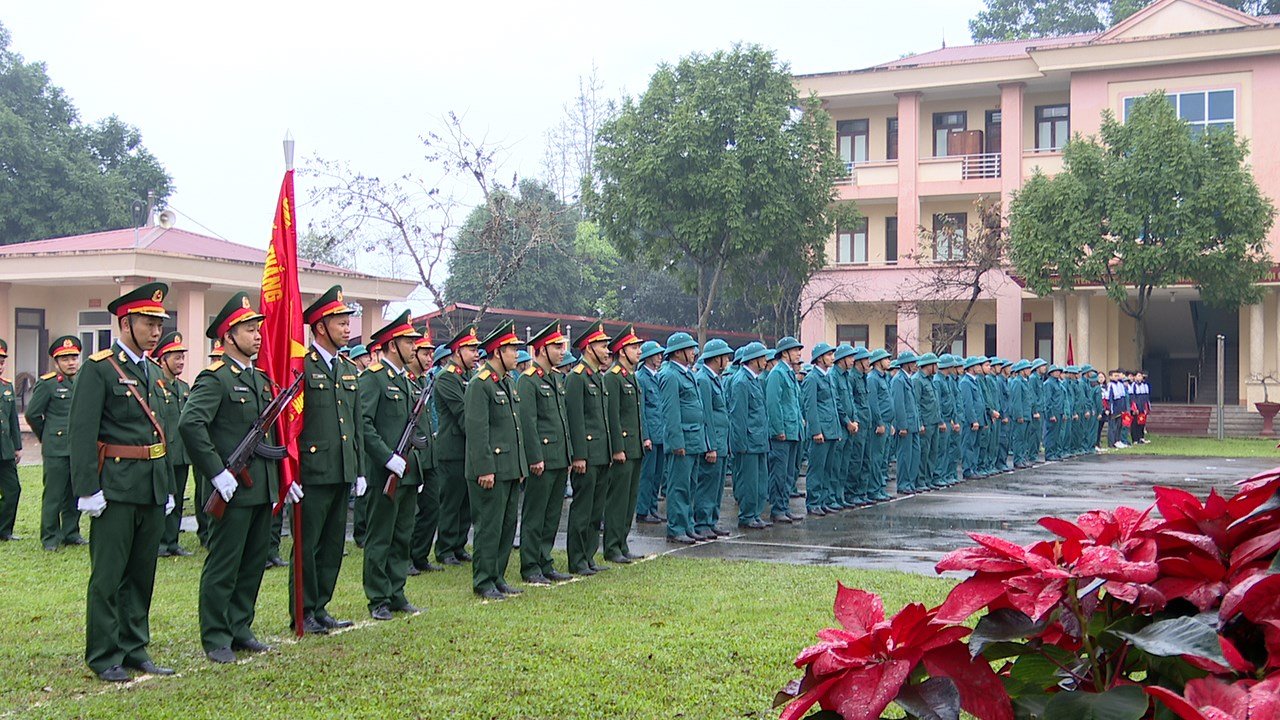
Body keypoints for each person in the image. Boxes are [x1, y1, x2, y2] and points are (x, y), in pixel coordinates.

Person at [68, 283, 176, 681]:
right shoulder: (100, 368)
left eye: (159, 324)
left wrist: (164, 487)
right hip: (114, 486)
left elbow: (159, 432)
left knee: (141, 573)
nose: (156, 331)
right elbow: (81, 432)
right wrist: (87, 490)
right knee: (109, 576)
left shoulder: (149, 369)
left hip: (148, 485)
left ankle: (135, 647)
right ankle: (103, 653)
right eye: (148, 323)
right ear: (126, 322)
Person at [183, 292, 288, 663]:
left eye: (258, 328)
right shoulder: (216, 378)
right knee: (224, 564)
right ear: (228, 336)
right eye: (248, 329)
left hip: (260, 488)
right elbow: (191, 424)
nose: (258, 335)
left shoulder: (259, 379)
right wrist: (216, 472)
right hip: (231, 489)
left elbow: (269, 436)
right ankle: (216, 636)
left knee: (253, 561)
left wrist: (280, 481)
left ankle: (240, 627)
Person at [292, 286, 364, 634]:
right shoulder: (302, 366)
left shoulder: (348, 367)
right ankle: (302, 609)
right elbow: (291, 422)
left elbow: (355, 423)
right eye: (339, 321)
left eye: (347, 321)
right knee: (308, 545)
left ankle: (321, 607)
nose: (347, 327)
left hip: (342, 468)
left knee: (334, 544)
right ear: (320, 326)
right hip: (313, 469)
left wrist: (359, 467)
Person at [358, 312, 426, 620]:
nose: (413, 346)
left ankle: (396, 591)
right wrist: (387, 457)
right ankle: (378, 597)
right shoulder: (373, 379)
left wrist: (416, 467)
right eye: (407, 341)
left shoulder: (406, 381)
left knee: (402, 535)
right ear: (391, 344)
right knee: (381, 536)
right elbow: (364, 423)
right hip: (383, 472)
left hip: (407, 472)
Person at [464, 320, 529, 600]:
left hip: (510, 468)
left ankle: (498, 575)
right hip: (491, 469)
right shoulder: (481, 385)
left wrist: (521, 466)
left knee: (506, 525)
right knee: (489, 526)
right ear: (497, 352)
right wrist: (485, 468)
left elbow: (515, 429)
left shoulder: (506, 383)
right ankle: (483, 579)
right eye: (512, 349)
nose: (516, 354)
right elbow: (479, 431)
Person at [516, 321, 573, 585]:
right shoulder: (529, 381)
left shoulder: (555, 379)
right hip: (543, 459)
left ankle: (544, 559)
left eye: (562, 346)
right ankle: (530, 565)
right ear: (541, 349)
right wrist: (535, 457)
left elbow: (562, 420)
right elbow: (528, 423)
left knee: (551, 515)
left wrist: (569, 455)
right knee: (535, 514)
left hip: (559, 457)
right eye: (556, 346)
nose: (562, 351)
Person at [25, 336, 85, 549]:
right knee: (54, 495)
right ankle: (50, 537)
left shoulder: (82, 381)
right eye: (65, 358)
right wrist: (47, 435)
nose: (71, 362)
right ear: (56, 362)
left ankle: (71, 532)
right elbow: (32, 414)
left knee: (74, 493)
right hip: (56, 448)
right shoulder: (48, 383)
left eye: (74, 357)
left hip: (77, 449)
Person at [565, 320, 613, 572]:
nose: (607, 351)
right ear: (588, 347)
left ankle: (589, 556)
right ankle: (576, 559)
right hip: (587, 455)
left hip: (601, 454)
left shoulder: (598, 377)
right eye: (602, 346)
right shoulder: (577, 378)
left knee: (596, 510)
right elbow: (576, 420)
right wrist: (579, 455)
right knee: (583, 509)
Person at [434, 324, 481, 567]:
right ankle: (445, 548)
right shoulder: (446, 378)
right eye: (471, 349)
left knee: (465, 502)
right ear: (457, 351)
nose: (476, 354)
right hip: (452, 449)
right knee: (451, 502)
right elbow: (464, 413)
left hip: (467, 448)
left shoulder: (468, 377)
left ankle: (459, 545)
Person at [602, 325, 648, 563]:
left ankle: (622, 542)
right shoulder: (612, 378)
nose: (638, 351)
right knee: (617, 500)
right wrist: (617, 448)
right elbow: (613, 416)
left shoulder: (630, 376)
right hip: (623, 450)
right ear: (621, 351)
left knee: (629, 499)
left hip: (634, 448)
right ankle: (611, 546)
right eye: (633, 347)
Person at [659, 332, 707, 544]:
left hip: (694, 438)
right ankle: (676, 527)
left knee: (690, 485)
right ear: (678, 352)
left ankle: (687, 525)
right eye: (689, 349)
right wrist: (676, 442)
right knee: (678, 486)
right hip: (682, 441)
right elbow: (671, 412)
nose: (693, 353)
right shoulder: (670, 374)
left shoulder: (686, 373)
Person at [149, 332, 192, 557]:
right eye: (176, 357)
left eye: (182, 357)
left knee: (178, 499)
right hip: (162, 453)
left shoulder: (184, 388)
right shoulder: (155, 386)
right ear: (162, 359)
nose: (180, 362)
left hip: (181, 454)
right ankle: (158, 542)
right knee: (162, 499)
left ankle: (172, 541)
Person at [692, 338, 732, 539]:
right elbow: (706, 415)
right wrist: (710, 446)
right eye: (725, 356)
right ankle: (702, 521)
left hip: (721, 440)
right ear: (717, 358)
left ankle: (711, 520)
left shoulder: (716, 378)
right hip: (712, 441)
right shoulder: (704, 380)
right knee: (707, 483)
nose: (727, 360)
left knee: (717, 484)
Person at [729, 342, 771, 527]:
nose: (765, 361)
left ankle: (755, 514)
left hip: (759, 439)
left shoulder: (754, 379)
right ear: (754, 360)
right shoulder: (741, 381)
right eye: (762, 357)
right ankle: (747, 516)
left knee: (760, 481)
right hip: (749, 442)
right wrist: (741, 445)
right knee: (749, 482)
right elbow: (738, 416)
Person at [765, 337, 804, 524]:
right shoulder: (777, 374)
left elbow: (793, 403)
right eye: (795, 350)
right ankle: (777, 508)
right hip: (783, 433)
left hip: (793, 430)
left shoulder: (788, 373)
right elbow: (773, 404)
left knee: (789, 473)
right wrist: (778, 429)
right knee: (779, 473)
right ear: (785, 353)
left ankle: (784, 506)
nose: (798, 353)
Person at [801, 343, 839, 515]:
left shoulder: (828, 377)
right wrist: (816, 431)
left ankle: (823, 500)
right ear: (820, 358)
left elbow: (833, 405)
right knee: (816, 468)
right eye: (829, 354)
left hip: (831, 430)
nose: (832, 357)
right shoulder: (811, 378)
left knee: (827, 468)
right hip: (821, 431)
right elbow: (811, 407)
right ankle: (814, 502)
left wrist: (836, 430)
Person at [193, 342, 224, 549]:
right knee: (205, 495)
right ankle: (205, 532)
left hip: (226, 453)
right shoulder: (210, 380)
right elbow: (193, 422)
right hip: (209, 450)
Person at [634, 340, 666, 524]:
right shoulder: (641, 378)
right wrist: (645, 436)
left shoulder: (657, 376)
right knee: (647, 475)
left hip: (660, 433)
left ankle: (652, 508)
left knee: (657, 475)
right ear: (647, 357)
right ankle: (643, 510)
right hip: (650, 436)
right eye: (656, 354)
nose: (660, 357)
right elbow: (642, 411)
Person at [889, 351, 922, 495]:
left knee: (915, 453)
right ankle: (903, 483)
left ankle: (910, 482)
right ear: (906, 364)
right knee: (904, 455)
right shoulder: (898, 380)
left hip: (913, 423)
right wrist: (901, 425)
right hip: (905, 425)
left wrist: (918, 422)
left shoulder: (908, 379)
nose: (915, 365)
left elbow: (914, 404)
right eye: (912, 362)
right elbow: (899, 404)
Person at [0, 339, 21, 543]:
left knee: (13, 489)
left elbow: (13, 419)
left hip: (5, 449)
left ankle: (4, 530)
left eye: (1, 361)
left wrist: (17, 447)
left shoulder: (7, 387)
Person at [913, 353, 943, 491]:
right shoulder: (918, 380)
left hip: (934, 421)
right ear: (928, 365)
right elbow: (916, 404)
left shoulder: (931, 380)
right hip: (926, 423)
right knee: (923, 453)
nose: (936, 367)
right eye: (934, 364)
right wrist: (920, 423)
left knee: (933, 452)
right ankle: (920, 480)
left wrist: (940, 420)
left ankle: (928, 479)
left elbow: (936, 402)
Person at [1132, 371, 1151, 444]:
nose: (1140, 377)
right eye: (1138, 376)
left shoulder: (1145, 385)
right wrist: (1135, 408)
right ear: (1135, 377)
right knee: (1135, 423)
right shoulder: (1133, 385)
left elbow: (1146, 397)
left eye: (1141, 376)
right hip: (1137, 406)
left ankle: (1141, 437)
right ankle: (1135, 439)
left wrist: (1147, 407)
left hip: (1143, 406)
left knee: (1142, 422)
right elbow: (1133, 398)